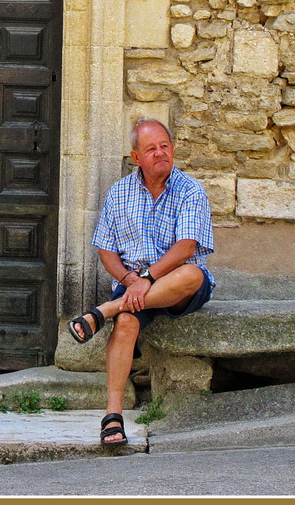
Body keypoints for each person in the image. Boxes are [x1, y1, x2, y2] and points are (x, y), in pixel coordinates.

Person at [68, 117, 214, 447]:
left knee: (193, 274)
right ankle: (113, 415)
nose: (161, 153)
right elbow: (106, 250)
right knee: (125, 324)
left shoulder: (190, 190)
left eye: (165, 146)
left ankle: (106, 309)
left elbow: (186, 248)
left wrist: (146, 278)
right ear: (136, 158)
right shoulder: (119, 193)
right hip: (134, 281)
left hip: (179, 284)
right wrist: (129, 279)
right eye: (151, 149)